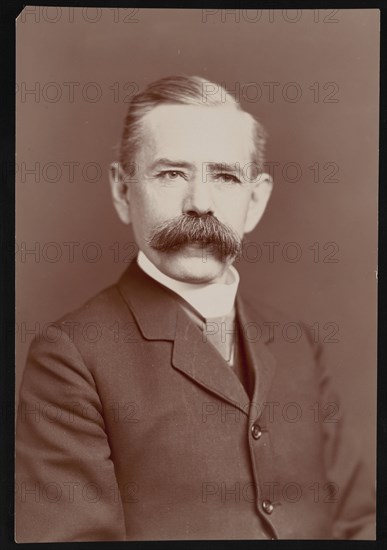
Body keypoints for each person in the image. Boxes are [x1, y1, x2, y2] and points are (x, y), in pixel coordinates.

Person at [15, 75, 375, 541]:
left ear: (256, 200)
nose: (200, 203)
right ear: (123, 191)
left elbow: (358, 521)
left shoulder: (296, 343)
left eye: (225, 176)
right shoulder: (71, 357)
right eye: (171, 174)